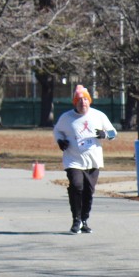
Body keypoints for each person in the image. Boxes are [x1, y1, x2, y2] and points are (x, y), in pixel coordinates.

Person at [53, 85, 116, 234]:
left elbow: (113, 133)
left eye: (85, 99)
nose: (83, 102)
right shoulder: (67, 117)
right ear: (75, 102)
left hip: (93, 160)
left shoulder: (98, 115)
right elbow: (57, 130)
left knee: (88, 191)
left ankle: (84, 220)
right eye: (80, 100)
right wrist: (60, 141)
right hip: (73, 159)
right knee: (76, 186)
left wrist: (105, 134)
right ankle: (76, 220)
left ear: (89, 101)